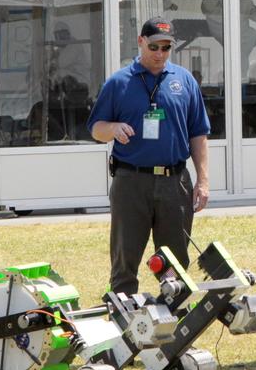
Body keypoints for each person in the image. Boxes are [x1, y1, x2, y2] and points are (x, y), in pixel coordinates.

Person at [87, 17, 210, 294]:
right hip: (131, 180)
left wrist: (203, 181)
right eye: (154, 47)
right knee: (124, 259)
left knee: (174, 264)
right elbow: (96, 129)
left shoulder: (184, 81)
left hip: (175, 181)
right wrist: (113, 128)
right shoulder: (119, 82)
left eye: (166, 48)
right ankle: (122, 321)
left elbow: (199, 135)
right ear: (141, 42)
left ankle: (175, 328)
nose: (160, 54)